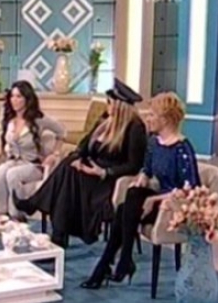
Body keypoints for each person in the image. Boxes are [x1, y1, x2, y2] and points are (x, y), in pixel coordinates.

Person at [81, 92, 200, 289]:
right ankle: (122, 260)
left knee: (126, 207)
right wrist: (142, 178)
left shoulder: (182, 148)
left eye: (152, 115)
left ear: (165, 119)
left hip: (173, 205)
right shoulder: (154, 142)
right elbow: (147, 169)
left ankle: (112, 265)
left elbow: (189, 189)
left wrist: (153, 200)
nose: (148, 119)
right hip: (155, 199)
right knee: (131, 196)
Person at [14, 78, 148, 247]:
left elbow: (134, 165)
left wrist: (103, 172)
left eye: (110, 103)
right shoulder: (105, 119)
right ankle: (56, 234)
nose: (107, 106)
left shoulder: (135, 128)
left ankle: (42, 214)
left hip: (109, 179)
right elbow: (85, 143)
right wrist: (78, 156)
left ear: (120, 106)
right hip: (91, 169)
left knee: (67, 179)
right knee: (70, 164)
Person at [0, 80, 66, 219]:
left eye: (18, 96)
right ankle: (2, 216)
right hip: (13, 161)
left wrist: (54, 154)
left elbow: (62, 132)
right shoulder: (8, 117)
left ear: (27, 99)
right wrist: (0, 148)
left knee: (12, 175)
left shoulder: (38, 119)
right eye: (12, 96)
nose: (14, 100)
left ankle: (17, 216)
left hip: (33, 164)